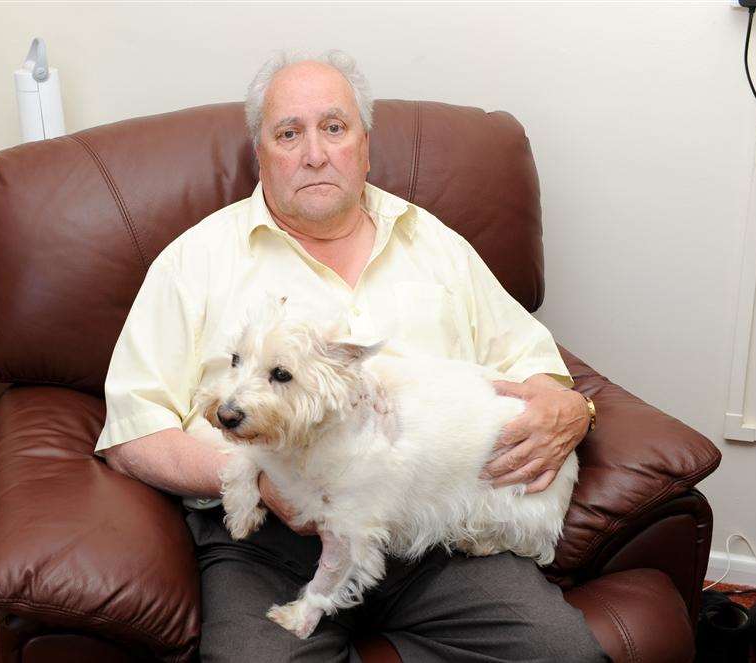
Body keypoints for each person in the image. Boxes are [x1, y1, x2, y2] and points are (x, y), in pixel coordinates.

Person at [96, 50, 607, 662]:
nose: (314, 153)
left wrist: (574, 408)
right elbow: (132, 434)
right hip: (273, 540)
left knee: (563, 655)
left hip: (438, 530)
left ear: (365, 144)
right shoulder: (194, 261)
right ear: (261, 152)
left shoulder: (436, 244)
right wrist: (257, 477)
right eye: (289, 133)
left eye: (334, 128)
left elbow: (536, 370)